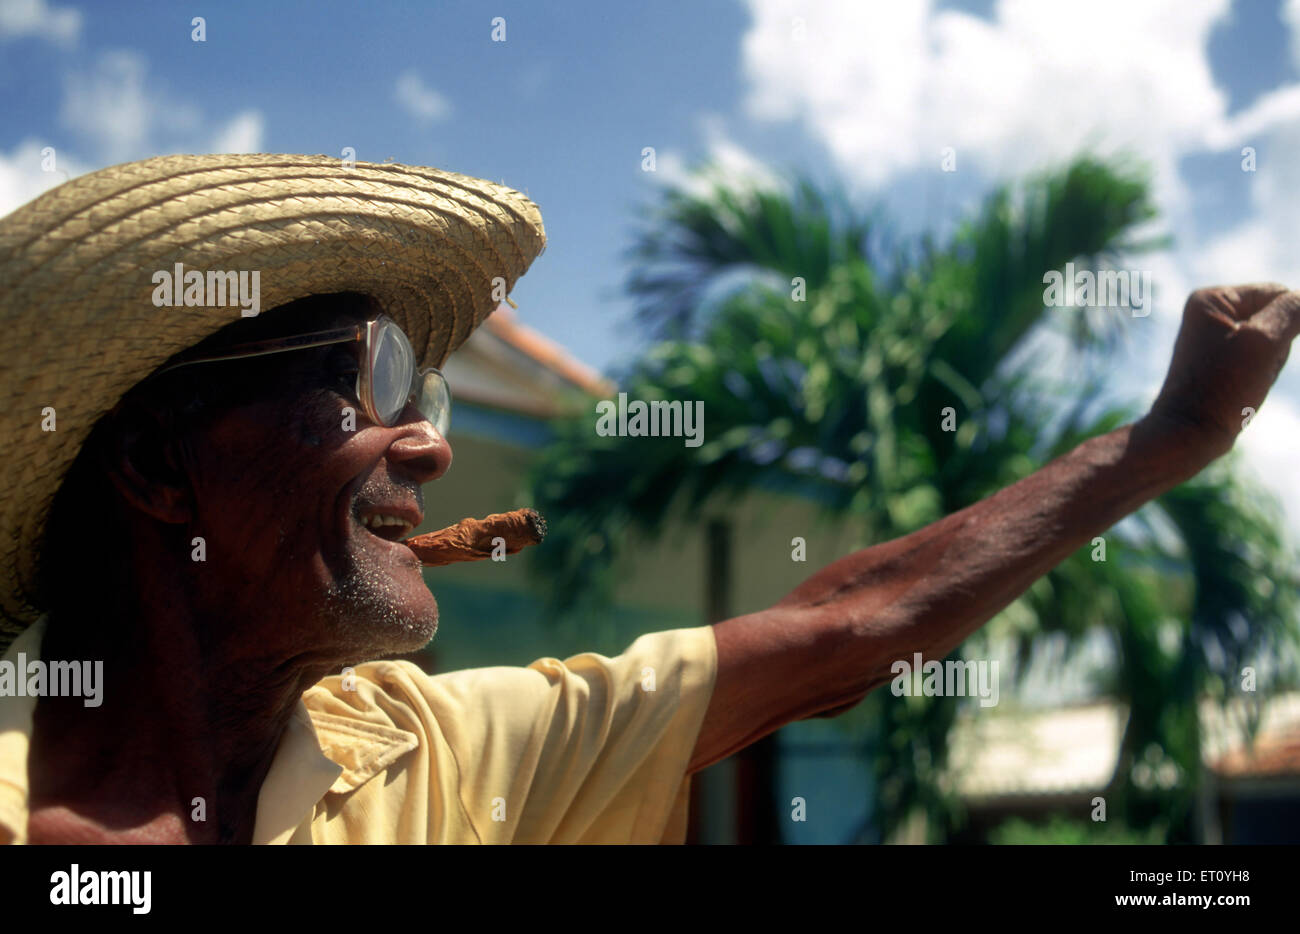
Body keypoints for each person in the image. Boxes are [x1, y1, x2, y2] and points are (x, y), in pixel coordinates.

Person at [0, 154, 1295, 844]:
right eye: (366, 383)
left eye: (427, 392)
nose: (429, 446)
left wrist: (1170, 437)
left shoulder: (430, 752)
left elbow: (848, 626)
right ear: (158, 465)